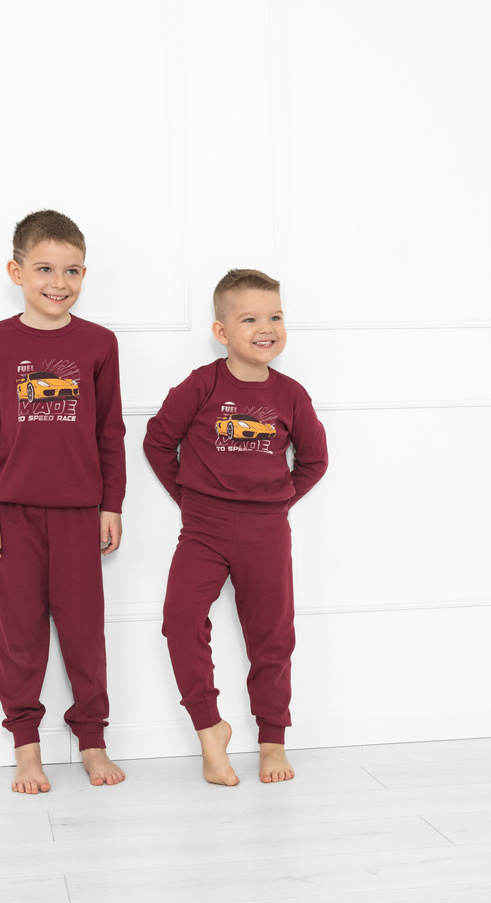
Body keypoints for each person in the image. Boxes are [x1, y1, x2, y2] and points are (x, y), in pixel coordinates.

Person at [144, 269, 328, 786]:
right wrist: (189, 499)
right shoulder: (202, 385)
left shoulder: (290, 395)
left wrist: (278, 501)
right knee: (180, 621)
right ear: (221, 332)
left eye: (275, 317)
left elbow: (314, 460)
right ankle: (211, 731)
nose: (265, 328)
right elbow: (158, 441)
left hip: (266, 532)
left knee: (272, 636)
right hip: (203, 531)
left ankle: (272, 741)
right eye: (250, 319)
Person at [0, 209, 126, 793]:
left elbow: (110, 431)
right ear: (17, 272)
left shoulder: (99, 343)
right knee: (19, 636)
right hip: (13, 514)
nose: (59, 282)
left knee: (85, 632)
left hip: (81, 512)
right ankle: (26, 748)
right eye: (44, 269)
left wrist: (112, 503)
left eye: (72, 270)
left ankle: (92, 741)